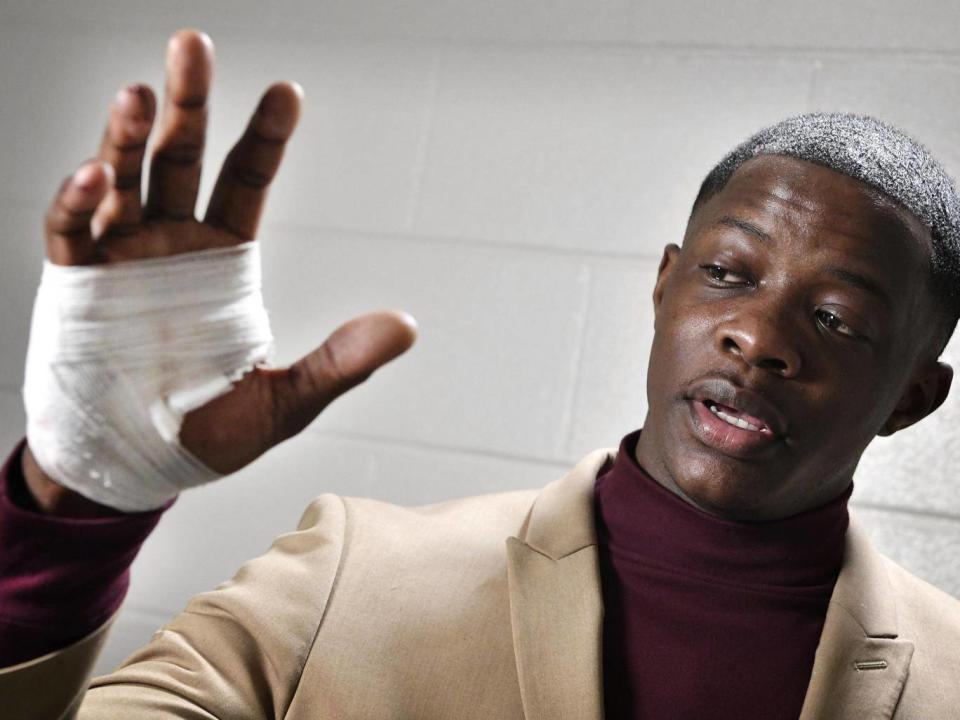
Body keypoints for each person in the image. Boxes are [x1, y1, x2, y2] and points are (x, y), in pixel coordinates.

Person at [1, 28, 959, 720]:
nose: (758, 337)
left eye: (837, 319)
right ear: (665, 288)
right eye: (726, 274)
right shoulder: (351, 575)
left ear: (913, 399)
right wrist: (81, 508)